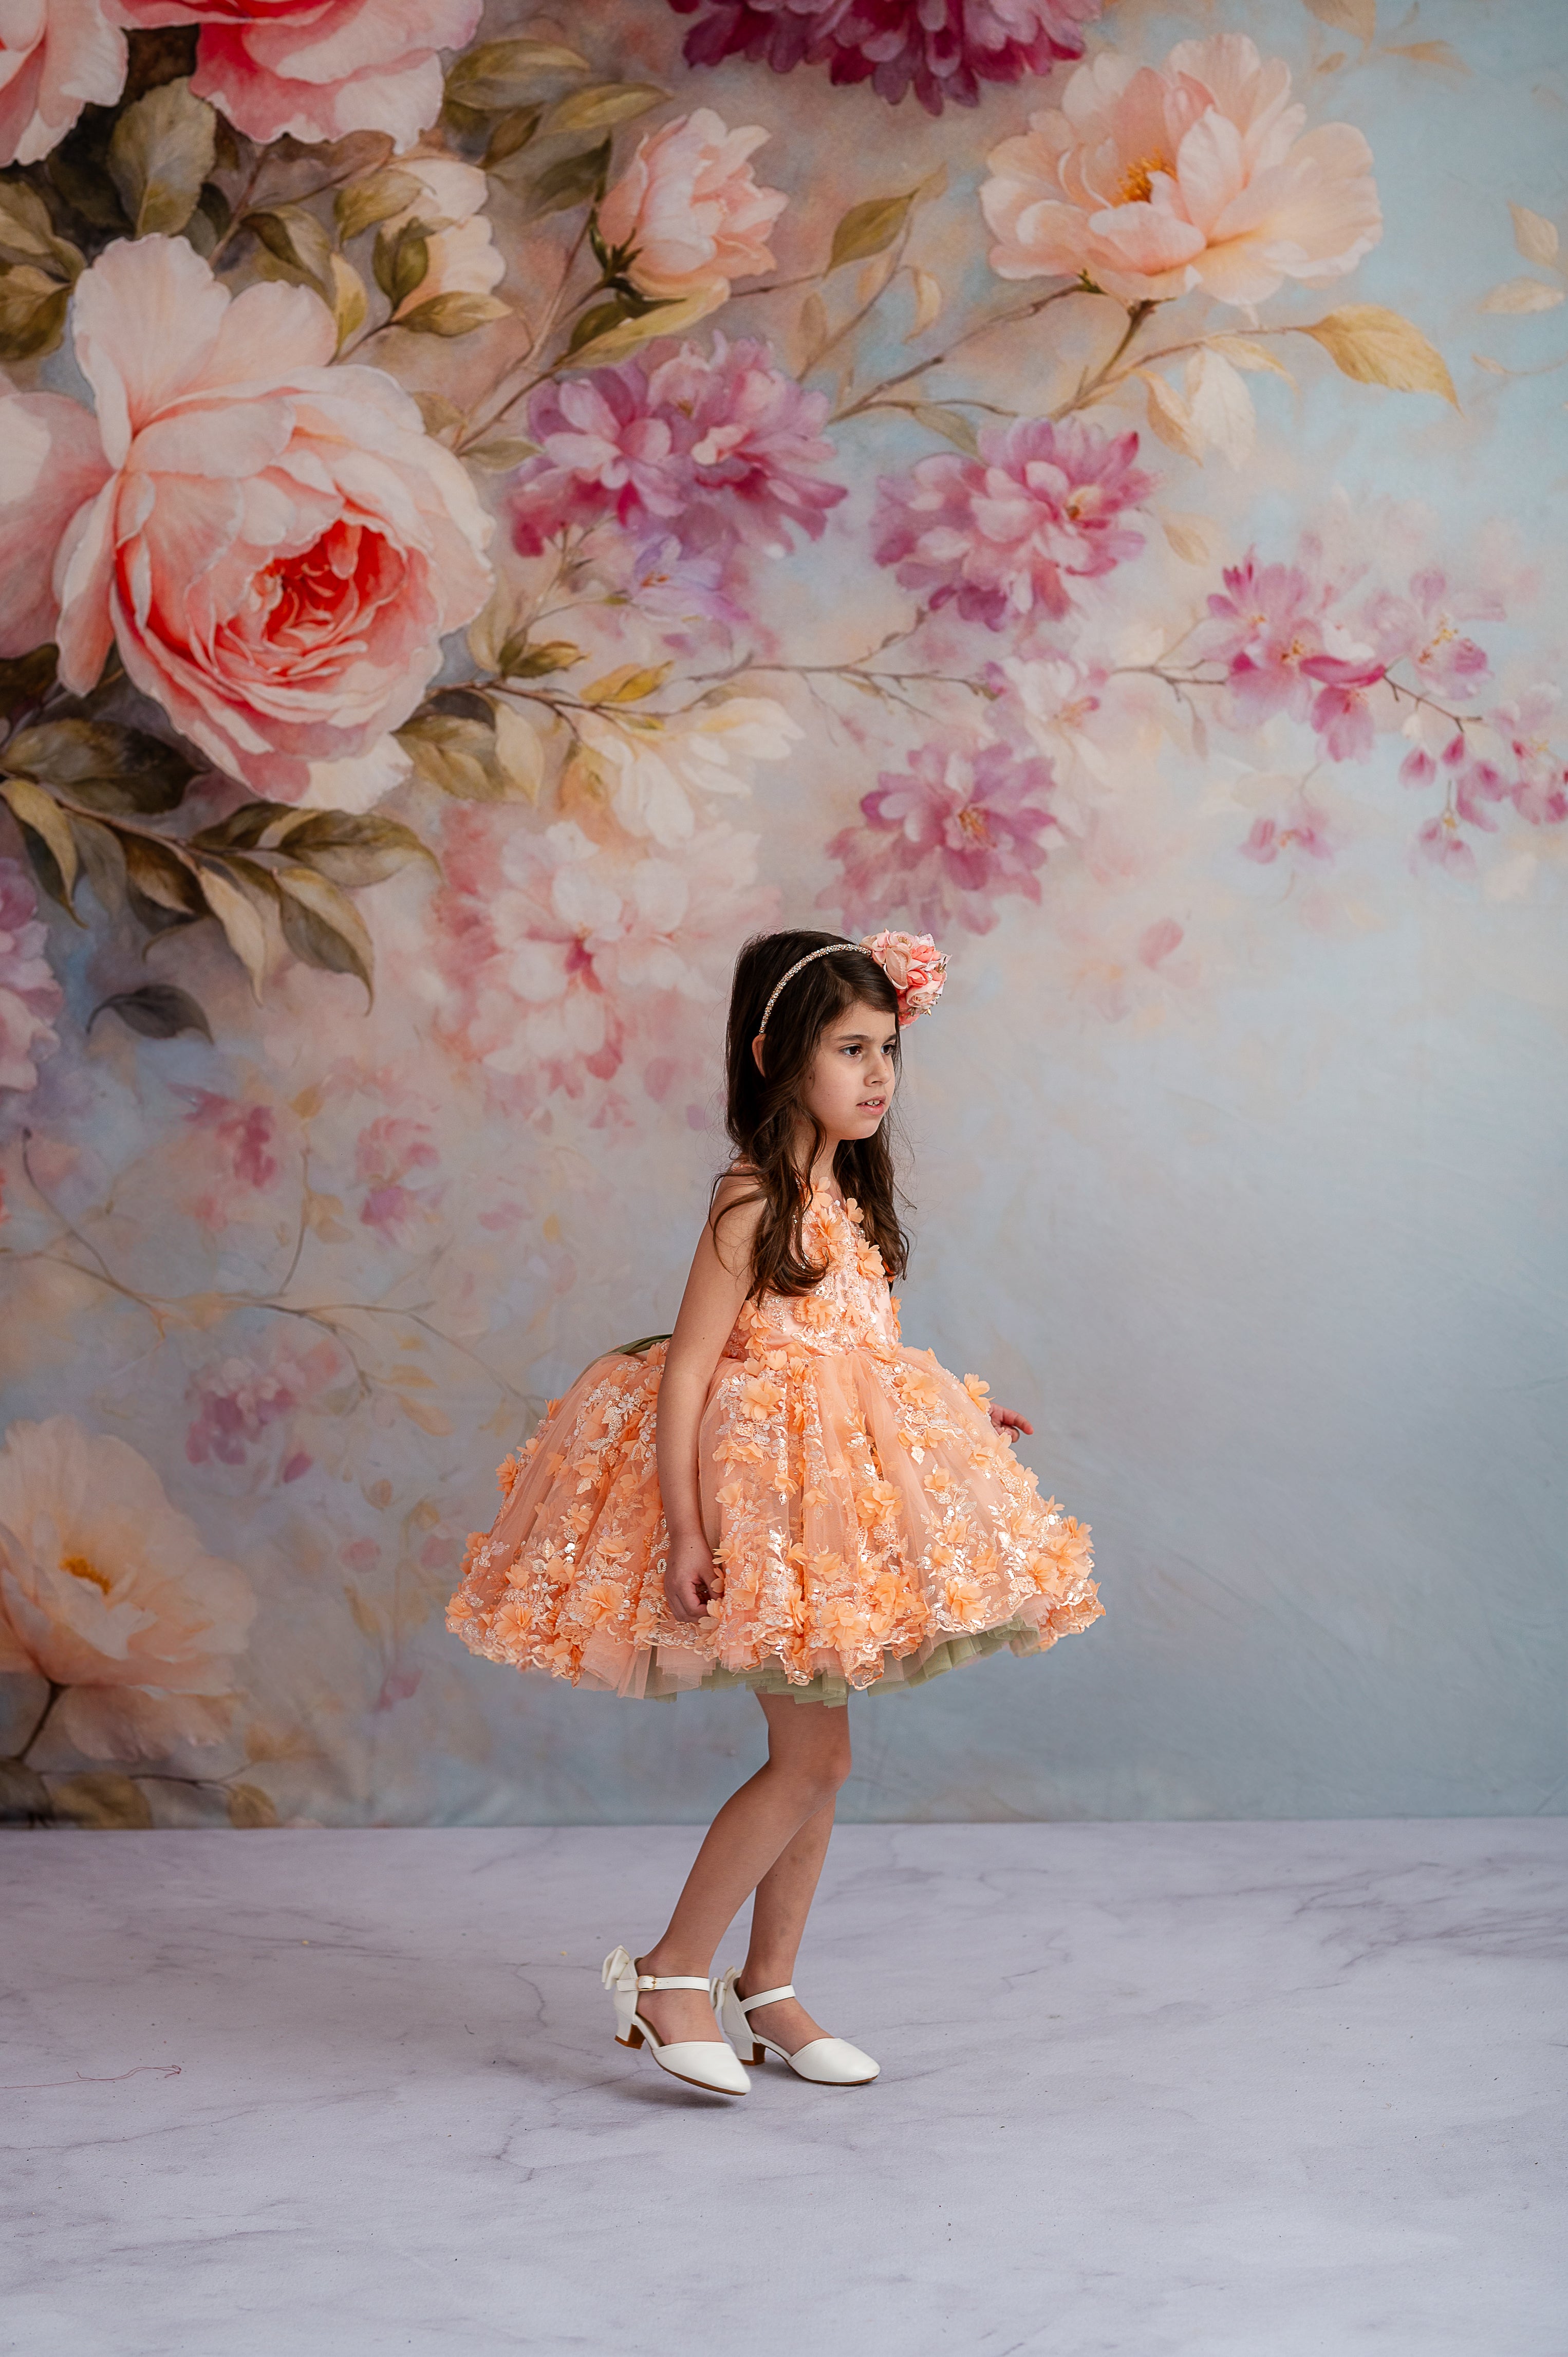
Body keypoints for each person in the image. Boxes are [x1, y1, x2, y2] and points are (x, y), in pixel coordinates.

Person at [447, 927, 1100, 2097]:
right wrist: (690, 1529)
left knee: (824, 1758)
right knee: (812, 1758)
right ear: (774, 1054)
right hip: (761, 1511)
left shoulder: (845, 1199)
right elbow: (691, 1366)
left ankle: (769, 1988)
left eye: (887, 1050)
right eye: (850, 1049)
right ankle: (668, 1971)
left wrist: (949, 1424)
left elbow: (862, 1359)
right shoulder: (751, 1198)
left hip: (829, 1517)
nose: (877, 1075)